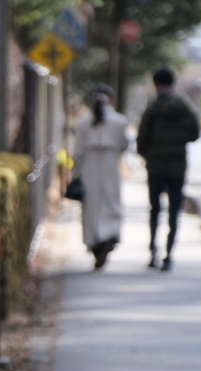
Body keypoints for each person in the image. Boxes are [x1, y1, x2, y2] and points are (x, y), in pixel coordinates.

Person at [136, 67, 201, 272]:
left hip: (155, 167)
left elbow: (141, 141)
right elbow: (195, 134)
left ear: (156, 84)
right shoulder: (186, 107)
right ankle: (169, 256)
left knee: (155, 210)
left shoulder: (153, 108)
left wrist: (149, 156)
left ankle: (153, 253)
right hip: (177, 168)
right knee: (174, 212)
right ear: (174, 83)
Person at [72, 83, 129, 270]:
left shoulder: (82, 122)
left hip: (89, 170)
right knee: (111, 204)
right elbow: (124, 145)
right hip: (111, 170)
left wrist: (74, 175)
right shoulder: (120, 121)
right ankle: (109, 237)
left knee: (91, 207)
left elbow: (78, 152)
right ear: (111, 100)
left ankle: (94, 242)